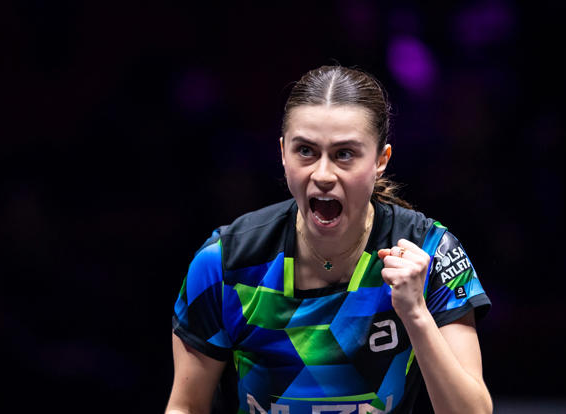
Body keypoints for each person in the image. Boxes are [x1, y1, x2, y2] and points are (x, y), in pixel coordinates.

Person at [166, 65, 492, 414]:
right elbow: (185, 407)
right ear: (283, 153)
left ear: (381, 160)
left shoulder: (430, 254)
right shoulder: (224, 264)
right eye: (305, 151)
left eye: (344, 154)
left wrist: (416, 314)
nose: (322, 174)